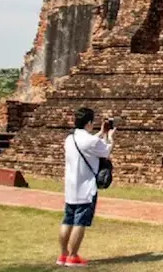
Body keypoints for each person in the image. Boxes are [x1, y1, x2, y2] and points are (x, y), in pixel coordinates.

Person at [60, 107, 114, 267]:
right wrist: (109, 137)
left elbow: (89, 144)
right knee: (80, 222)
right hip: (86, 188)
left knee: (67, 220)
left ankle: (63, 255)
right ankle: (73, 256)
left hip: (71, 187)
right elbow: (105, 151)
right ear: (89, 122)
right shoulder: (91, 141)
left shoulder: (69, 139)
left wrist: (101, 133)